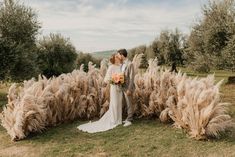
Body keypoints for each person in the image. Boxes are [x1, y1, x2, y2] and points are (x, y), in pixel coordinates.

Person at [77, 54, 123, 133]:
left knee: (119, 103)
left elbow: (122, 77)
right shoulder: (111, 67)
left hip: (120, 88)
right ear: (114, 59)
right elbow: (106, 79)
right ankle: (114, 120)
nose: (118, 58)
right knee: (114, 103)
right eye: (116, 58)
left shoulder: (120, 67)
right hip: (113, 87)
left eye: (118, 57)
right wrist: (114, 80)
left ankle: (119, 120)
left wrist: (120, 81)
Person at [117, 49, 135, 127]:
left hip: (128, 88)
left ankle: (130, 119)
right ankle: (128, 118)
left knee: (129, 104)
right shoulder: (122, 64)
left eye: (118, 55)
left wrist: (129, 89)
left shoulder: (130, 64)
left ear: (122, 55)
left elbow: (131, 78)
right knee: (126, 103)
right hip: (123, 87)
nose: (118, 56)